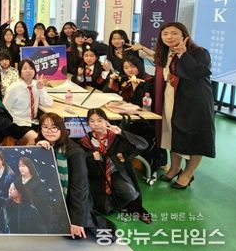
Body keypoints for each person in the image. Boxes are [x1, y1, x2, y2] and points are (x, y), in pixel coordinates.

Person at [153, 22, 215, 189]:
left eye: (174, 33)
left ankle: (187, 174)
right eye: (165, 34)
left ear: (184, 35)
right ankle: (174, 168)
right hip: (172, 99)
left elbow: (197, 73)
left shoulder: (199, 52)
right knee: (174, 134)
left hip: (194, 102)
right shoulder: (166, 53)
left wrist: (183, 54)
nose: (169, 37)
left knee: (195, 138)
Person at [79, 109, 151, 223]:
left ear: (106, 121)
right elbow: (79, 159)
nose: (96, 124)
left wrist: (121, 133)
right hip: (96, 176)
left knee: (130, 193)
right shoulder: (85, 141)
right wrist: (91, 156)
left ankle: (124, 206)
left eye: (99, 120)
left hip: (115, 172)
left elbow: (142, 145)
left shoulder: (115, 136)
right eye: (92, 121)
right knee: (102, 208)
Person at [36, 112, 96, 240]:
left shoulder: (75, 152)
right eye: (45, 127)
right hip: (49, 196)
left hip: (70, 199)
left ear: (61, 129)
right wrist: (37, 151)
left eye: (54, 127)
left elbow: (79, 188)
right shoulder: (41, 145)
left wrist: (76, 221)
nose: (49, 131)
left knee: (73, 236)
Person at [2, 60, 52, 145]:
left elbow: (48, 103)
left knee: (51, 134)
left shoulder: (37, 84)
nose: (28, 71)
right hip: (18, 123)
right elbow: (5, 110)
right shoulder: (12, 89)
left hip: (33, 121)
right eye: (25, 69)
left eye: (31, 68)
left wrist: (40, 89)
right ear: (20, 72)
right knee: (35, 139)